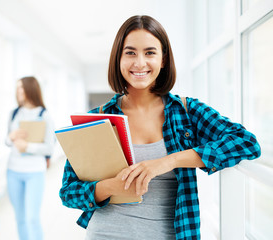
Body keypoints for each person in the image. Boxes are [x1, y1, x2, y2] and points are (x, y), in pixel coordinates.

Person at [59, 15, 261, 240]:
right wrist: (110, 187)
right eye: (130, 52)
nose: (139, 63)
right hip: (105, 233)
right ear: (118, 58)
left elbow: (246, 142)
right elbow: (68, 192)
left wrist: (168, 161)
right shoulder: (95, 120)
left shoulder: (187, 111)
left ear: (163, 59)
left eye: (150, 52)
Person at [6, 76, 55, 240]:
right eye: (17, 88)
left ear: (30, 89)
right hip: (13, 171)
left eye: (21, 88)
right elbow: (6, 141)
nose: (18, 91)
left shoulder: (44, 115)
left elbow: (49, 146)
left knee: (32, 219)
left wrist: (28, 147)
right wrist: (11, 136)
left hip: (35, 172)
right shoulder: (14, 113)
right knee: (20, 219)